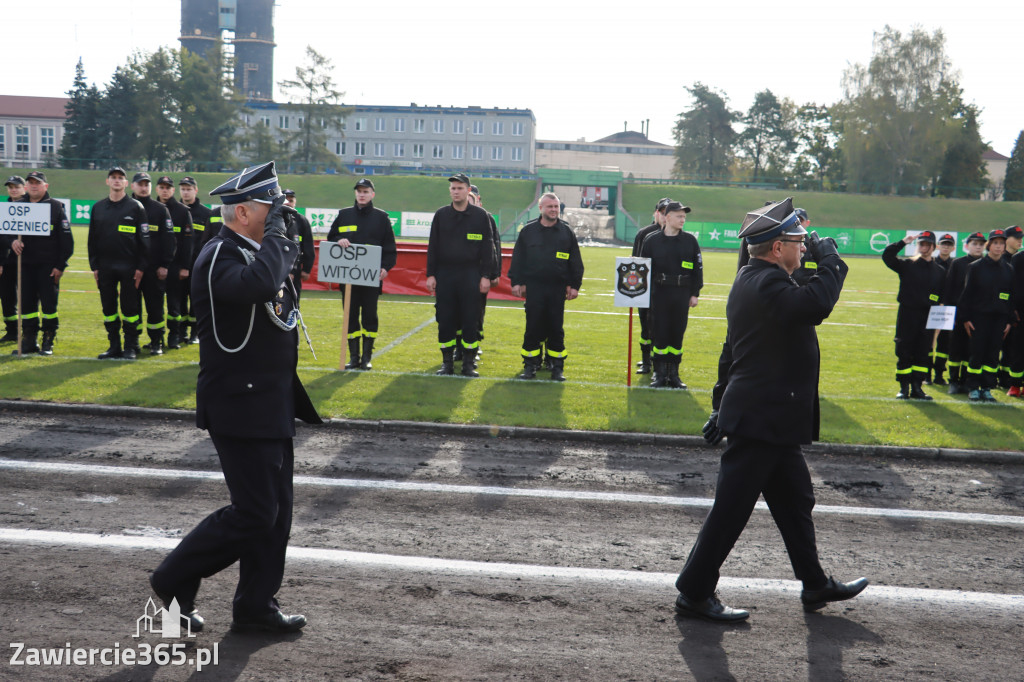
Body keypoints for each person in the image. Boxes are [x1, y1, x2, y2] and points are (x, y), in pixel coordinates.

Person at [674, 197, 866, 623]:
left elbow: (732, 353)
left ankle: (814, 583)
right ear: (777, 247)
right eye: (798, 242)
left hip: (770, 419)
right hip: (762, 420)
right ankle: (693, 592)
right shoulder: (767, 283)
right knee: (731, 510)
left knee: (796, 501)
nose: (804, 248)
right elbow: (817, 305)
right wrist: (831, 261)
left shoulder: (754, 277)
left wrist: (719, 405)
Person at [150, 161, 322, 634]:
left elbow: (283, 302)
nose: (282, 214)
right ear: (243, 212)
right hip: (238, 405)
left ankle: (255, 605)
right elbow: (261, 287)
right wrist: (281, 240)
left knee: (277, 515)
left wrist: (283, 240)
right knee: (255, 512)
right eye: (273, 206)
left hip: (271, 400)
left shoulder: (253, 249)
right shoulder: (218, 256)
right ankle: (172, 577)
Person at [508, 192, 584, 381]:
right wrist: (516, 281)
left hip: (557, 289)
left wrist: (574, 285)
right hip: (534, 287)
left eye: (556, 206)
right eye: (550, 206)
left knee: (555, 328)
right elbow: (518, 259)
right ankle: (530, 365)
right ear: (540, 208)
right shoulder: (528, 231)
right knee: (533, 326)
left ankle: (556, 366)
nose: (553, 210)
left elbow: (575, 261)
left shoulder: (566, 233)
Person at [425, 173, 494, 377]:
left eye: (460, 188)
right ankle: (447, 364)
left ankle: (468, 364)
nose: (456, 191)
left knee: (470, 319)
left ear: (468, 191)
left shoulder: (481, 217)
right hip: (445, 275)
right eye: (453, 188)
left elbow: (488, 247)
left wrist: (486, 276)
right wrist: (431, 274)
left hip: (471, 274)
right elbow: (433, 247)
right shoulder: (441, 215)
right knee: (445, 319)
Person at [326, 178, 397, 370]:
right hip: (347, 280)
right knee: (350, 317)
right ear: (355, 194)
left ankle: (366, 357)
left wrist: (385, 267)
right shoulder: (344, 215)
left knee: (369, 317)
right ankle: (353, 357)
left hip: (371, 278)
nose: (362, 194)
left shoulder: (381, 218)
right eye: (359, 191)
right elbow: (330, 238)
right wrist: (339, 240)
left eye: (365, 191)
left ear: (372, 194)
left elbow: (390, 247)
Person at [8, 172, 74, 356]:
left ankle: (48, 340)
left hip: (48, 267)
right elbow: (5, 232)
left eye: (38, 183)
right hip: (25, 266)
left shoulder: (56, 207)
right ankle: (29, 341)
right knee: (27, 306)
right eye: (30, 183)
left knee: (49, 306)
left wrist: (60, 266)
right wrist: (12, 241)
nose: (34, 186)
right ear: (26, 186)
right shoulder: (18, 206)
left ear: (46, 186)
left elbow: (67, 241)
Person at [87, 167, 149, 360]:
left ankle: (130, 346)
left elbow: (144, 241)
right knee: (108, 309)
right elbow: (92, 240)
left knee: (130, 309)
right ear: (107, 181)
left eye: (120, 178)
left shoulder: (135, 207)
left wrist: (140, 268)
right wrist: (95, 267)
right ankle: (114, 345)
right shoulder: (98, 207)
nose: (116, 180)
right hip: (105, 267)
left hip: (128, 267)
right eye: (113, 177)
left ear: (125, 183)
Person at [639, 200, 701, 388]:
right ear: (667, 217)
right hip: (659, 293)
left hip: (681, 294)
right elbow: (644, 270)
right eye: (679, 216)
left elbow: (697, 269)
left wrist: (694, 293)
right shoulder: (651, 240)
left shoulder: (690, 241)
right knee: (659, 333)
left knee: (677, 334)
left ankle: (674, 374)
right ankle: (659, 373)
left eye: (684, 216)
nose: (683, 219)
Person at [882, 231, 945, 400]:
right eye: (921, 244)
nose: (924, 247)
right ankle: (904, 387)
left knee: (922, 352)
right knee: (904, 350)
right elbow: (887, 256)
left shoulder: (939, 270)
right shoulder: (908, 265)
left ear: (933, 247)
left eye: (927, 244)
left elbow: (941, 296)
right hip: (908, 314)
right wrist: (903, 242)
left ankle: (918, 387)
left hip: (928, 316)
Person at [960, 228, 1015, 402]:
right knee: (977, 353)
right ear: (988, 245)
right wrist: (966, 319)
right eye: (995, 243)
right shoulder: (975, 267)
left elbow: (1010, 297)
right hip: (979, 318)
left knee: (993, 355)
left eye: (1002, 244)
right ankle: (973, 387)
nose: (999, 247)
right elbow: (967, 294)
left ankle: (987, 388)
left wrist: (1008, 320)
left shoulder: (1008, 269)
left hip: (999, 319)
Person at [131, 172, 176, 356]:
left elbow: (169, 239)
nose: (143, 187)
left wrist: (165, 264)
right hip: (131, 269)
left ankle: (156, 341)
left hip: (154, 269)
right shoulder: (127, 207)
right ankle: (132, 342)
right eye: (140, 184)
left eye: (146, 184)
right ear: (132, 186)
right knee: (131, 308)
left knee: (155, 308)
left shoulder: (160, 209)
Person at [632, 198, 670, 374]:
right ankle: (646, 361)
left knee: (664, 327)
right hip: (646, 289)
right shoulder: (644, 233)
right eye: (661, 212)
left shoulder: (676, 235)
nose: (664, 216)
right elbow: (635, 262)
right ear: (655, 213)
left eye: (667, 212)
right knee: (646, 326)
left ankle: (660, 362)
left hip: (666, 289)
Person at [155, 176, 194, 350]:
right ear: (157, 189)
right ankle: (156, 339)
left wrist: (185, 267)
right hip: (154, 267)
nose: (165, 190)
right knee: (154, 305)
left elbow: (188, 242)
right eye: (162, 187)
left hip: (175, 267)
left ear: (172, 190)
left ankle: (174, 336)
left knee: (174, 305)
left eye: (168, 187)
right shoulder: (150, 208)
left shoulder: (182, 211)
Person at [944, 232, 985, 394]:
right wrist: (949, 312)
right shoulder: (958, 263)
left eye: (981, 244)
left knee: (972, 350)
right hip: (957, 314)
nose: (978, 247)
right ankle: (954, 381)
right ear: (967, 246)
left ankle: (968, 382)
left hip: (977, 316)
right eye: (975, 244)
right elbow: (949, 289)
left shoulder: (985, 264)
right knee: (955, 349)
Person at [467, 184, 501, 363]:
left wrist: (494, 273)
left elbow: (495, 247)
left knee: (478, 311)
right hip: (462, 275)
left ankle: (476, 343)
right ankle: (460, 346)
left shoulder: (487, 218)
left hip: (481, 274)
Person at [179, 176, 214, 344]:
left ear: (196, 190)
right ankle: (181, 331)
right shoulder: (174, 211)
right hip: (177, 265)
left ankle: (195, 332)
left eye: (189, 189)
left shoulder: (206, 213)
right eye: (183, 189)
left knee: (196, 301)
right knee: (178, 300)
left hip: (197, 266)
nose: (186, 192)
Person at [928, 233, 957, 385]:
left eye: (949, 244)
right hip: (931, 306)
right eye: (943, 244)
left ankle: (939, 374)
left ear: (953, 248)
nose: (946, 247)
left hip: (948, 309)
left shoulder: (955, 265)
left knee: (944, 343)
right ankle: (926, 373)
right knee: (929, 342)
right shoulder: (931, 262)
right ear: (938, 246)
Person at [1, 176, 27, 343]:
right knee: (7, 296)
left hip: (29, 260)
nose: (13, 189)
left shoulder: (33, 207)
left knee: (28, 297)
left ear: (24, 188)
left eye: (16, 186)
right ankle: (12, 331)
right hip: (8, 261)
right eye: (10, 187)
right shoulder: (3, 209)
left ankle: (29, 333)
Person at [997, 225, 1022, 389]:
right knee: (1000, 345)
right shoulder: (1000, 258)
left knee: (1014, 347)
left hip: (1017, 312)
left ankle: (1007, 378)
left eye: (1021, 237)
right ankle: (999, 377)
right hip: (1002, 310)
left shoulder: (1019, 258)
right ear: (1007, 239)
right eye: (1017, 237)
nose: (1020, 240)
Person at [282, 189, 316, 301]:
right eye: (285, 200)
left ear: (295, 202)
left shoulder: (302, 221)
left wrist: (306, 269)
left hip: (295, 269)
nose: (288, 202)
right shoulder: (272, 219)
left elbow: (308, 247)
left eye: (291, 200)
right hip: (276, 266)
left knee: (294, 300)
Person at [1009, 233, 1024, 397]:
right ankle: (1014, 385)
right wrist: (1012, 309)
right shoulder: (1018, 259)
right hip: (1020, 313)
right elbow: (1011, 286)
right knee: (1018, 350)